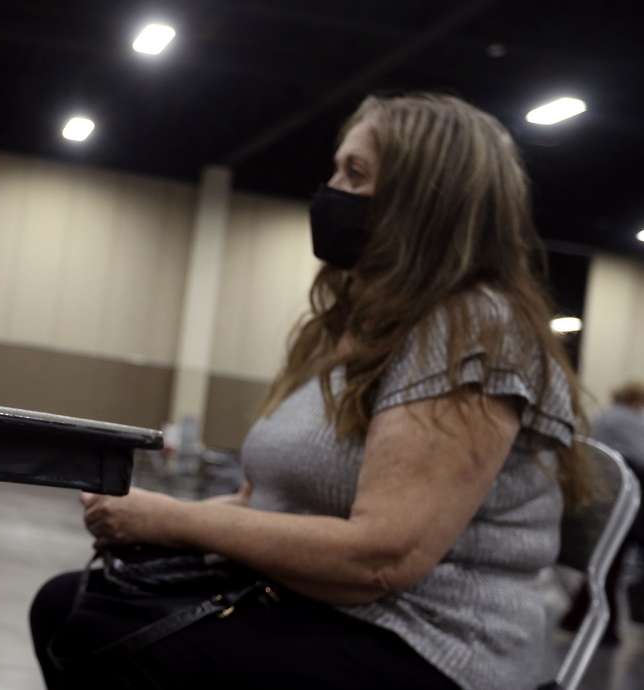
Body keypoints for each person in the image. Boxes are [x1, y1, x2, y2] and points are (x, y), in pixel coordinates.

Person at [30, 93, 590, 690]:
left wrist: (175, 521)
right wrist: (153, 516)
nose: (331, 189)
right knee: (70, 608)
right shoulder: (357, 326)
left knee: (112, 642)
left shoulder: (475, 330)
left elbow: (382, 558)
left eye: (355, 174)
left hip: (432, 645)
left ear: (421, 202)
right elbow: (263, 501)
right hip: (320, 608)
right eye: (336, 168)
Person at [561, 381, 644, 643]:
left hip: (599, 496)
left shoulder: (603, 418)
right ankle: (601, 628)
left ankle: (581, 620)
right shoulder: (634, 422)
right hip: (628, 498)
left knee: (604, 564)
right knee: (611, 565)